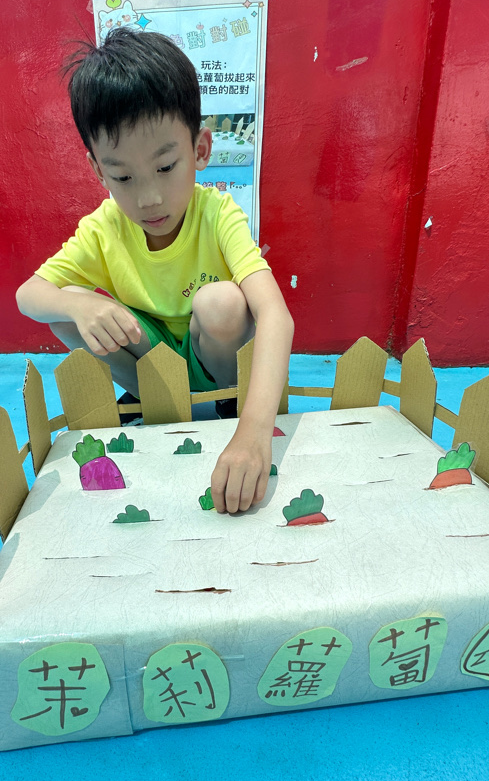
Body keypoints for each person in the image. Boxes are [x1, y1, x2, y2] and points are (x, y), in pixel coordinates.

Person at [16, 28, 294, 514]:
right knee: (68, 308)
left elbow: (275, 314)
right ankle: (155, 402)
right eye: (123, 176)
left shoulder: (217, 214)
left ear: (200, 150)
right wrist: (78, 304)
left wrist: (253, 432)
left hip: (216, 362)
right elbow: (28, 295)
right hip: (153, 362)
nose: (148, 198)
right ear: (98, 170)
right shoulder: (104, 227)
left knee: (223, 301)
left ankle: (223, 403)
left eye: (166, 167)